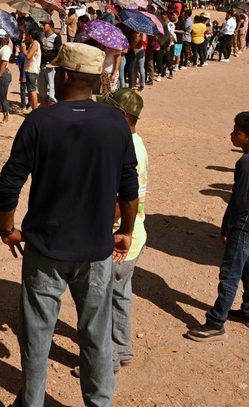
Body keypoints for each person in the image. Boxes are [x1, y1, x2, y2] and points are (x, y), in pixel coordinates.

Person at [0, 43, 139, 406]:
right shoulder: (115, 123)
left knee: (37, 335)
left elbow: (10, 181)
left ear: (64, 76)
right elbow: (129, 186)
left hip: (46, 247)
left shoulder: (40, 120)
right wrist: (125, 232)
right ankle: (99, 402)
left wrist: (7, 228)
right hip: (95, 251)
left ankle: (32, 401)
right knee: (96, 334)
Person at [187, 112, 249, 340]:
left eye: (238, 133)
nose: (232, 135)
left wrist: (226, 228)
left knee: (230, 273)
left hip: (243, 226)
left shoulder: (246, 163)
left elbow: (238, 200)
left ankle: (216, 323)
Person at [99, 88, 148, 375]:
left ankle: (107, 361)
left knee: (100, 302)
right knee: (120, 294)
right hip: (135, 235)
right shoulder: (137, 143)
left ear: (121, 115)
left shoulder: (123, 147)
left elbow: (121, 200)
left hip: (118, 237)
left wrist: (98, 228)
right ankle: (122, 347)